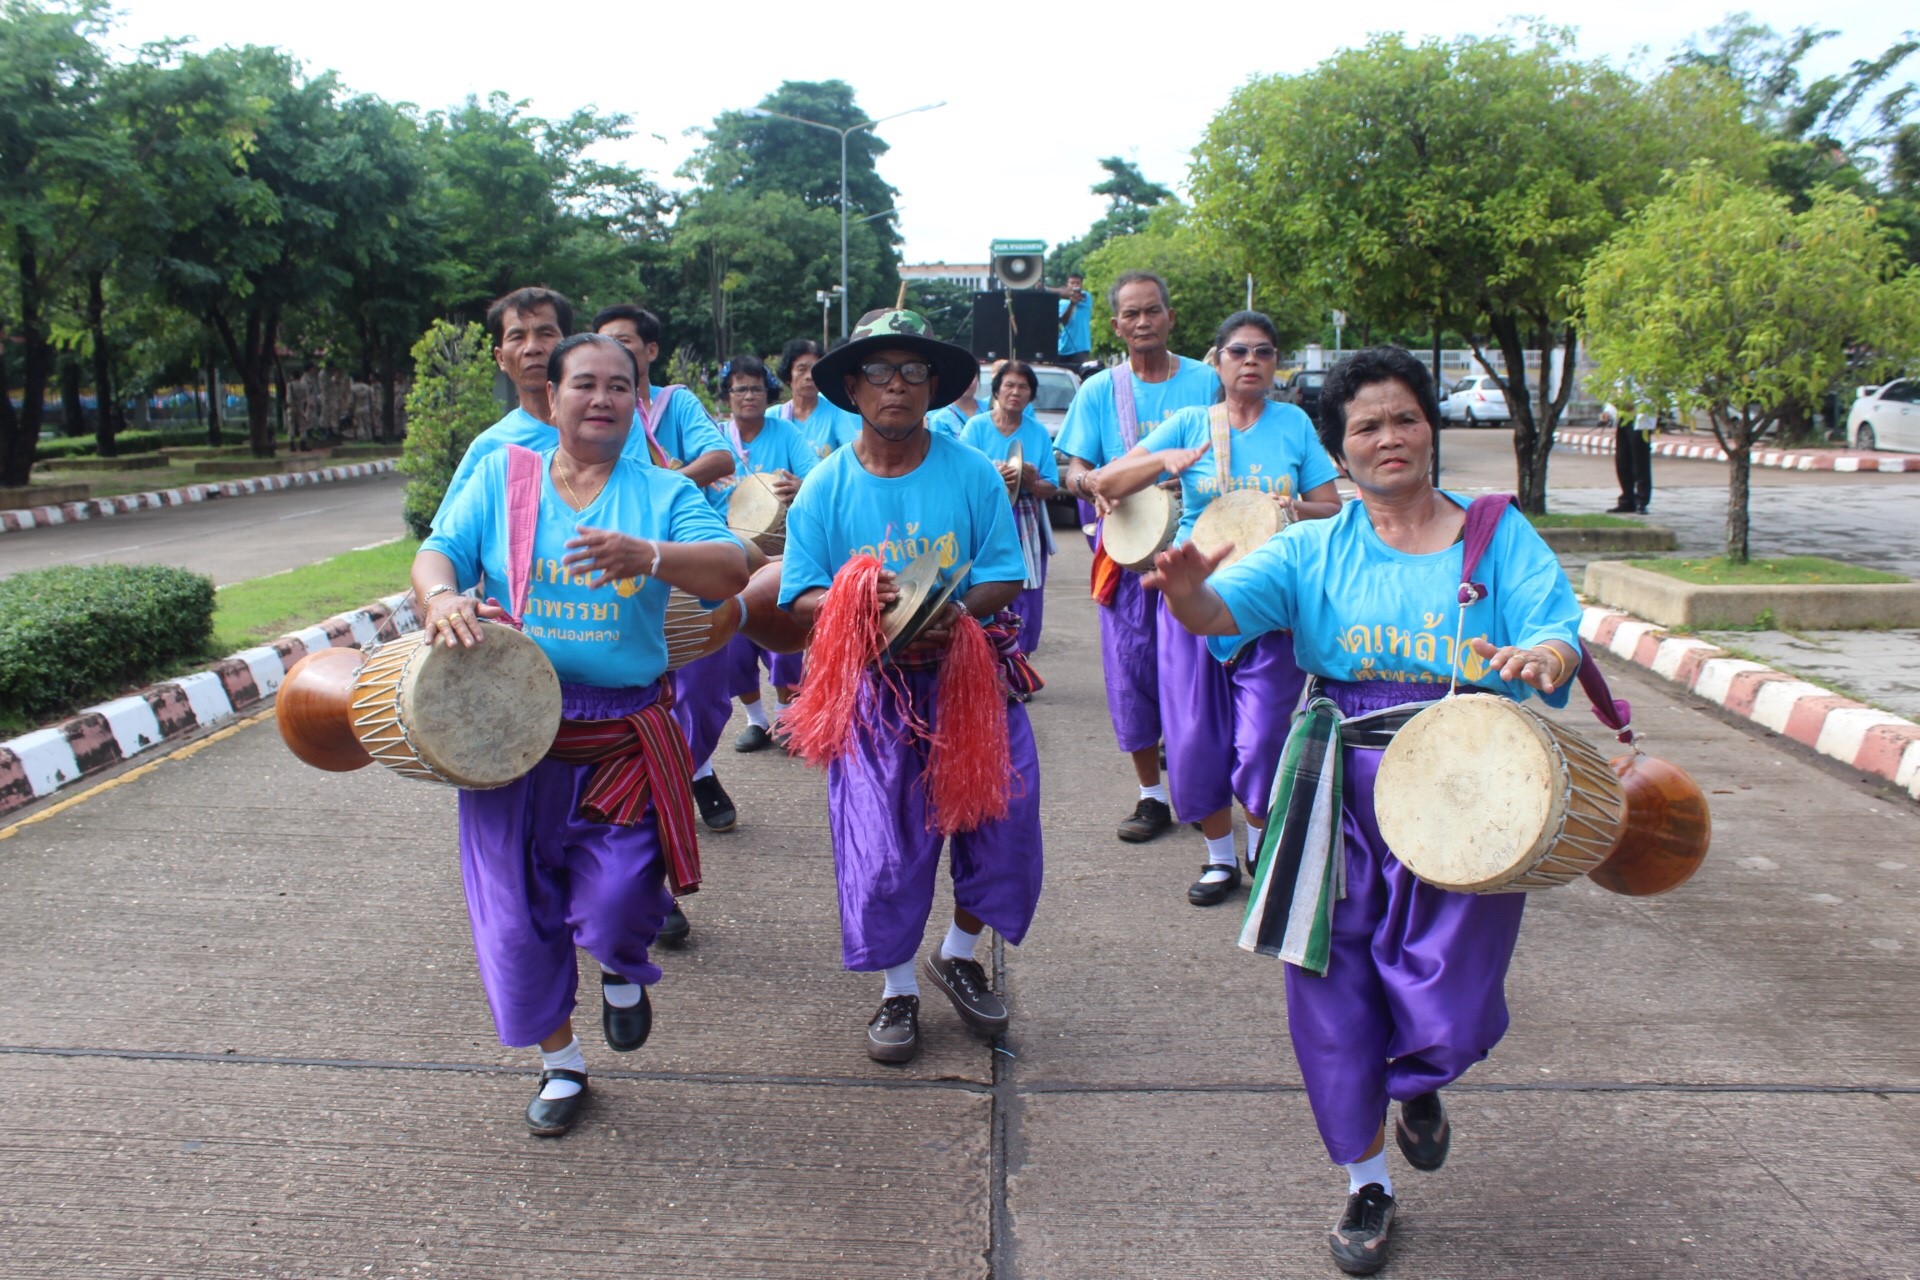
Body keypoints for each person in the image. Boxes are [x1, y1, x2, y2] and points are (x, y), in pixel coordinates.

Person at [1150, 345, 1583, 1275]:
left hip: (1469, 791)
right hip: (1336, 786)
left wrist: (1546, 658)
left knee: (1454, 998)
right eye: (1366, 426)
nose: (1390, 437)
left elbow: (1554, 626)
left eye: (1405, 418)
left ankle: (1420, 1081)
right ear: (1339, 452)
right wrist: (1188, 593)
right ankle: (1364, 1181)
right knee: (1328, 982)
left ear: (1432, 427)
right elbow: (1222, 612)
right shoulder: (1312, 545)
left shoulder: (1498, 535)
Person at [414, 333, 750, 1138]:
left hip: (619, 734)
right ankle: (561, 1065)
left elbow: (732, 569)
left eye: (620, 387)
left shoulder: (661, 492)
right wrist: (442, 600)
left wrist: (651, 555)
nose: (601, 399)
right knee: (514, 915)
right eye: (585, 385)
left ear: (639, 402)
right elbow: (439, 554)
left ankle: (621, 971)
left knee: (621, 898)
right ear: (553, 397)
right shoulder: (504, 475)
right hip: (509, 730)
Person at [779, 308, 1042, 1065]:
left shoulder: (969, 474)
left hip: (967, 680)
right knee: (884, 849)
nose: (898, 386)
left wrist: (947, 609)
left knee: (1005, 828)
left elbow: (1004, 574)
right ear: (854, 389)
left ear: (933, 389)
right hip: (874, 691)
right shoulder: (825, 488)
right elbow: (798, 595)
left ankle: (958, 951)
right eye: (881, 373)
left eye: (914, 372)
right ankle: (897, 990)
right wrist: (862, 605)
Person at [1087, 312, 1343, 907]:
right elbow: (1107, 483)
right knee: (1196, 736)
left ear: (1276, 363)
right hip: (1193, 605)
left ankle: (1260, 841)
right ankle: (1219, 860)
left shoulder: (1295, 424)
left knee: (1259, 742)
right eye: (1238, 351)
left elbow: (1332, 508)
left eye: (1264, 352)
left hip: (1272, 609)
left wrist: (1293, 507)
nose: (1251, 361)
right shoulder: (1190, 423)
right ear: (1218, 360)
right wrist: (1160, 463)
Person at [1055, 270, 1220, 844]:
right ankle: (1152, 797)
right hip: (1125, 557)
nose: (1143, 322)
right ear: (1117, 324)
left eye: (1153, 311)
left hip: (1200, 552)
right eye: (1131, 314)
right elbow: (1069, 467)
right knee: (1132, 673)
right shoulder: (1100, 391)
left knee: (1201, 674)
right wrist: (1089, 484)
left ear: (1170, 317)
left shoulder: (1207, 382)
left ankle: (1204, 793)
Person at [707, 355, 816, 757]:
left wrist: (800, 484)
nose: (748, 395)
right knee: (735, 640)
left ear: (767, 393)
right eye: (740, 388)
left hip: (782, 553)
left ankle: (788, 712)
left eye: (755, 388)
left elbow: (816, 477)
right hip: (727, 553)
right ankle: (756, 718)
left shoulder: (785, 433)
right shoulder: (713, 437)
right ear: (728, 395)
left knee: (786, 635)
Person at [432, 287, 575, 522]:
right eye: (517, 337)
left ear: (570, 347)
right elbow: (448, 543)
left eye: (546, 333)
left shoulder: (614, 429)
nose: (532, 348)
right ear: (500, 358)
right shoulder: (489, 449)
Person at [959, 360, 1058, 654]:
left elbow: (1051, 486)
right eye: (1009, 385)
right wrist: (993, 475)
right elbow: (961, 477)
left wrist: (1030, 481)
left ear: (1031, 394)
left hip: (1025, 523)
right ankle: (985, 663)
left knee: (1027, 593)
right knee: (984, 588)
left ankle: (1020, 663)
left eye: (1023, 387)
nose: (1016, 392)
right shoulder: (976, 427)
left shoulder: (1038, 432)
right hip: (985, 520)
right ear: (997, 390)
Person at [591, 304, 735, 491]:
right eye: (603, 343)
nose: (611, 351)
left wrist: (653, 489)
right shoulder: (593, 407)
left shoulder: (677, 402)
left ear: (651, 351)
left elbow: (721, 458)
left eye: (622, 341)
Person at [775, 339, 864, 459]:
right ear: (788, 374)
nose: (809, 376)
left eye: (814, 370)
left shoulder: (835, 412)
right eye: (802, 369)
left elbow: (853, 455)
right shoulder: (773, 416)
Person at [1603, 399, 1655, 514]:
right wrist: (1609, 411)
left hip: (1641, 416)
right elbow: (1616, 392)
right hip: (1624, 416)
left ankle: (1642, 501)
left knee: (1640, 460)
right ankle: (1627, 500)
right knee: (1622, 460)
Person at [927, 367, 982, 439]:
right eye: (961, 376)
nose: (967, 381)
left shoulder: (990, 408)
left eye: (972, 375)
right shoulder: (940, 420)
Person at [1053, 273, 1092, 365]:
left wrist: (1046, 289)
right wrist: (1072, 304)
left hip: (1081, 348)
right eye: (1072, 283)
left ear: (1081, 285)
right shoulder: (1062, 303)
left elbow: (1067, 293)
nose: (1075, 285)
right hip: (1063, 348)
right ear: (1067, 285)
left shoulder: (1086, 297)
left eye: (1077, 283)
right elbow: (1063, 321)